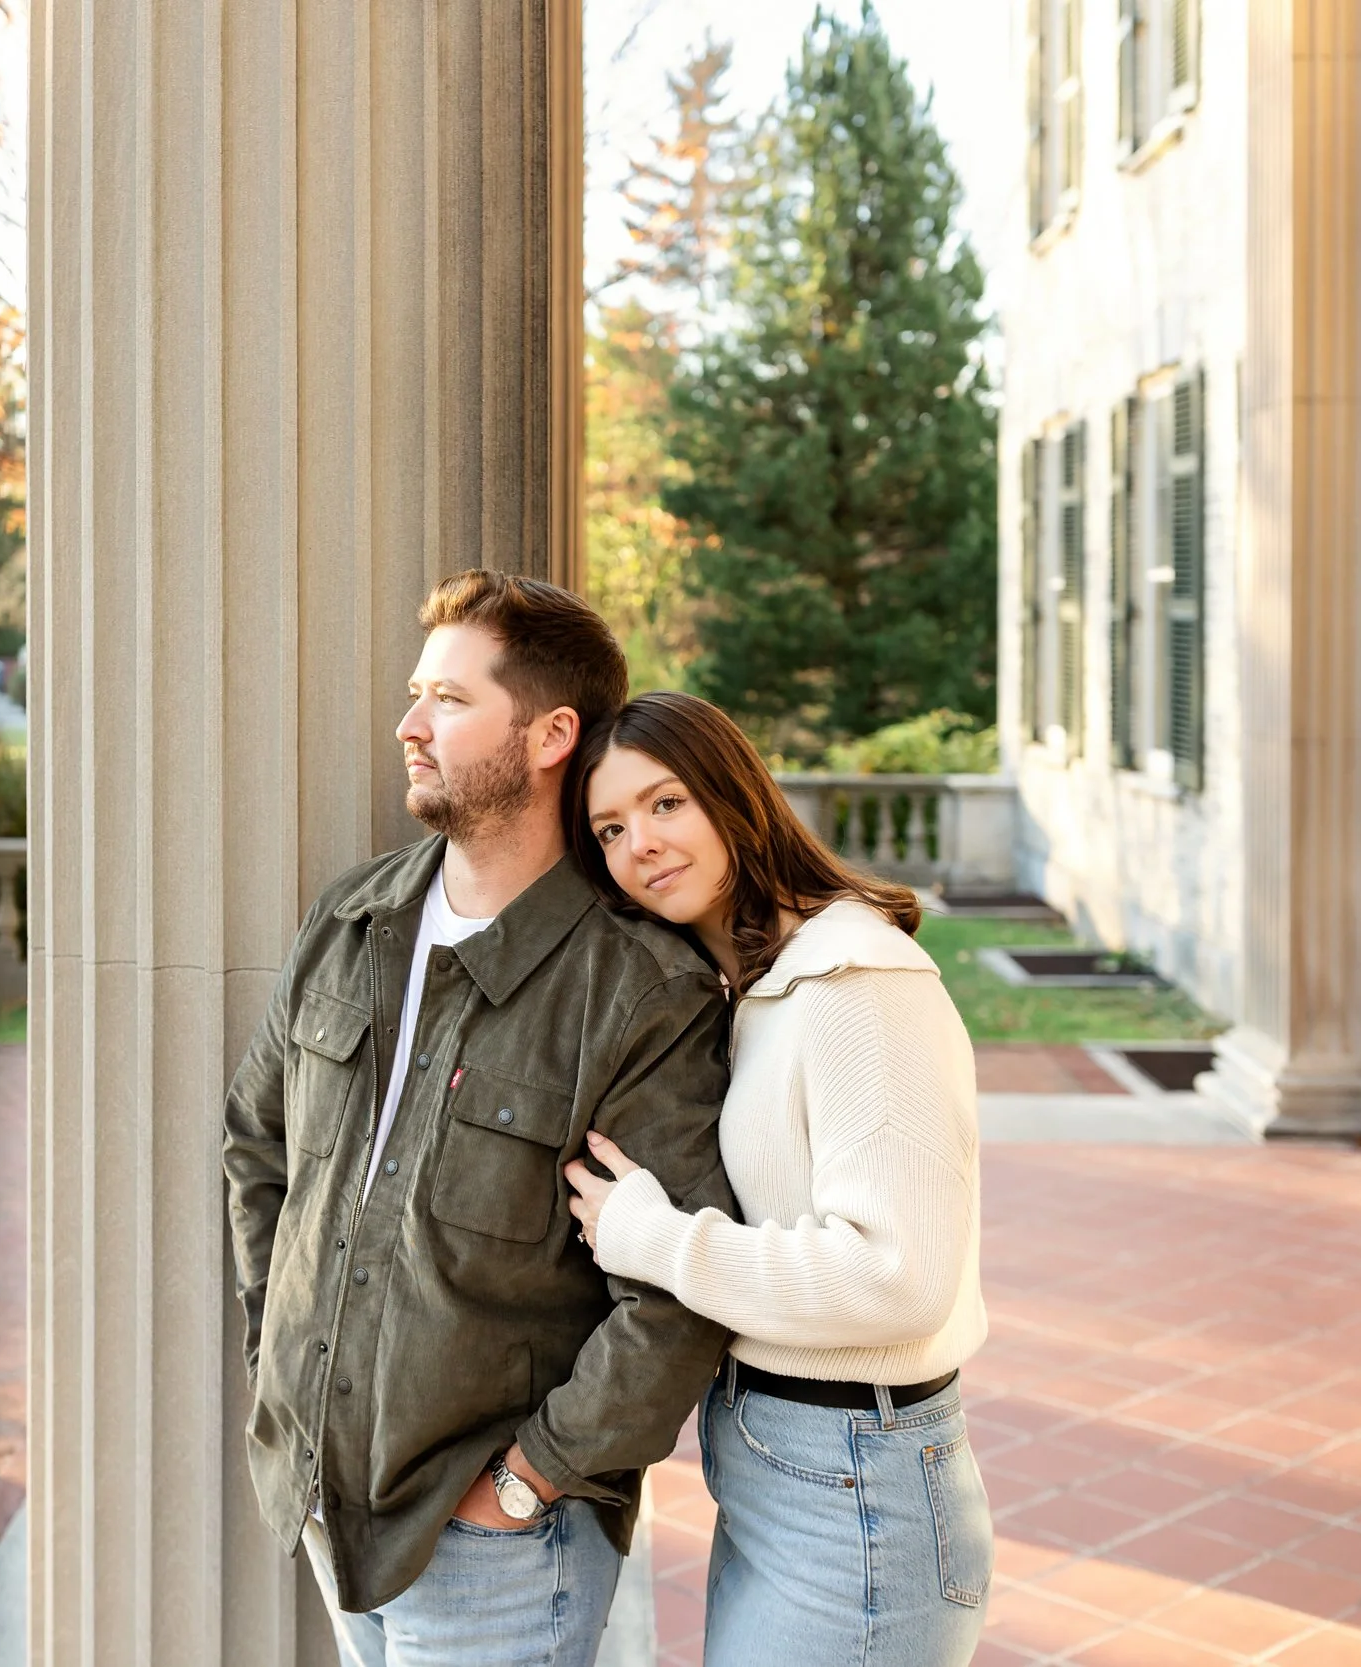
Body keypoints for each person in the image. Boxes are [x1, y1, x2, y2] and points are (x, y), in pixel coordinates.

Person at [221, 574, 738, 1667]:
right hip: (322, 1493)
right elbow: (257, 1144)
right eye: (418, 694)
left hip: (498, 1545)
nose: (409, 725)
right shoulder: (352, 918)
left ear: (551, 733)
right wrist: (282, 1341)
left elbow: (678, 1290)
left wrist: (527, 1479)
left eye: (449, 699)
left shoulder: (637, 989)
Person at [563, 690, 993, 1667]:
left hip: (857, 1488)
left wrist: (654, 1238)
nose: (642, 842)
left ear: (732, 792)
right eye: (611, 828)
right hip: (787, 1467)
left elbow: (896, 1273)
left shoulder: (856, 983)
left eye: (666, 802)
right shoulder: (765, 987)